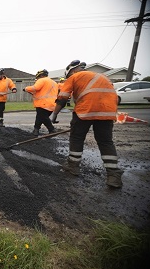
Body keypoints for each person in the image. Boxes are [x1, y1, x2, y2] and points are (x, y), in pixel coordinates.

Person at [51, 60, 123, 188]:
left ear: (72, 71)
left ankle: (73, 166)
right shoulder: (104, 77)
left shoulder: (74, 77)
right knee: (106, 142)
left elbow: (62, 98)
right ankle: (113, 175)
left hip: (85, 110)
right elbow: (117, 98)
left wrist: (54, 114)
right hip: (107, 112)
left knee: (77, 137)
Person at [24, 69, 58, 136]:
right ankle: (36, 130)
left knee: (43, 118)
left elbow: (36, 88)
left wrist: (26, 88)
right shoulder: (54, 82)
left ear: (41, 75)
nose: (37, 79)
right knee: (40, 117)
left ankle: (52, 130)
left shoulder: (42, 80)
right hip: (52, 104)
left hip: (43, 103)